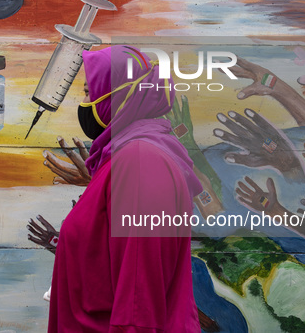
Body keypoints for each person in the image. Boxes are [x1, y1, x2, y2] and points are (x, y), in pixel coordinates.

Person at [48, 46, 202, 332]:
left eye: (88, 92)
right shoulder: (125, 158)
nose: (83, 104)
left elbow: (138, 306)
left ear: (120, 96)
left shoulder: (141, 162)